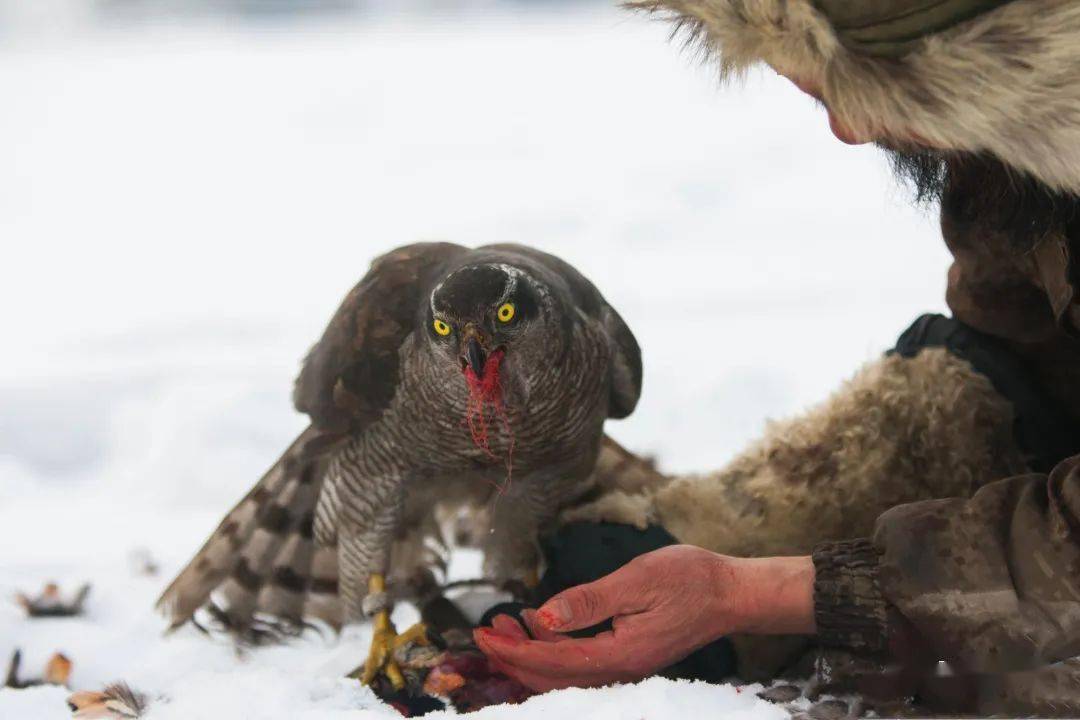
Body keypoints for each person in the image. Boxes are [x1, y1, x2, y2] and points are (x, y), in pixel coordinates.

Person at [473, 1, 1080, 714]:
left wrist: (759, 593)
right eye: (820, 90)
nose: (848, 130)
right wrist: (760, 532)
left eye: (871, 87)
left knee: (1004, 693)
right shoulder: (1018, 149)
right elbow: (1024, 355)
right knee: (605, 561)